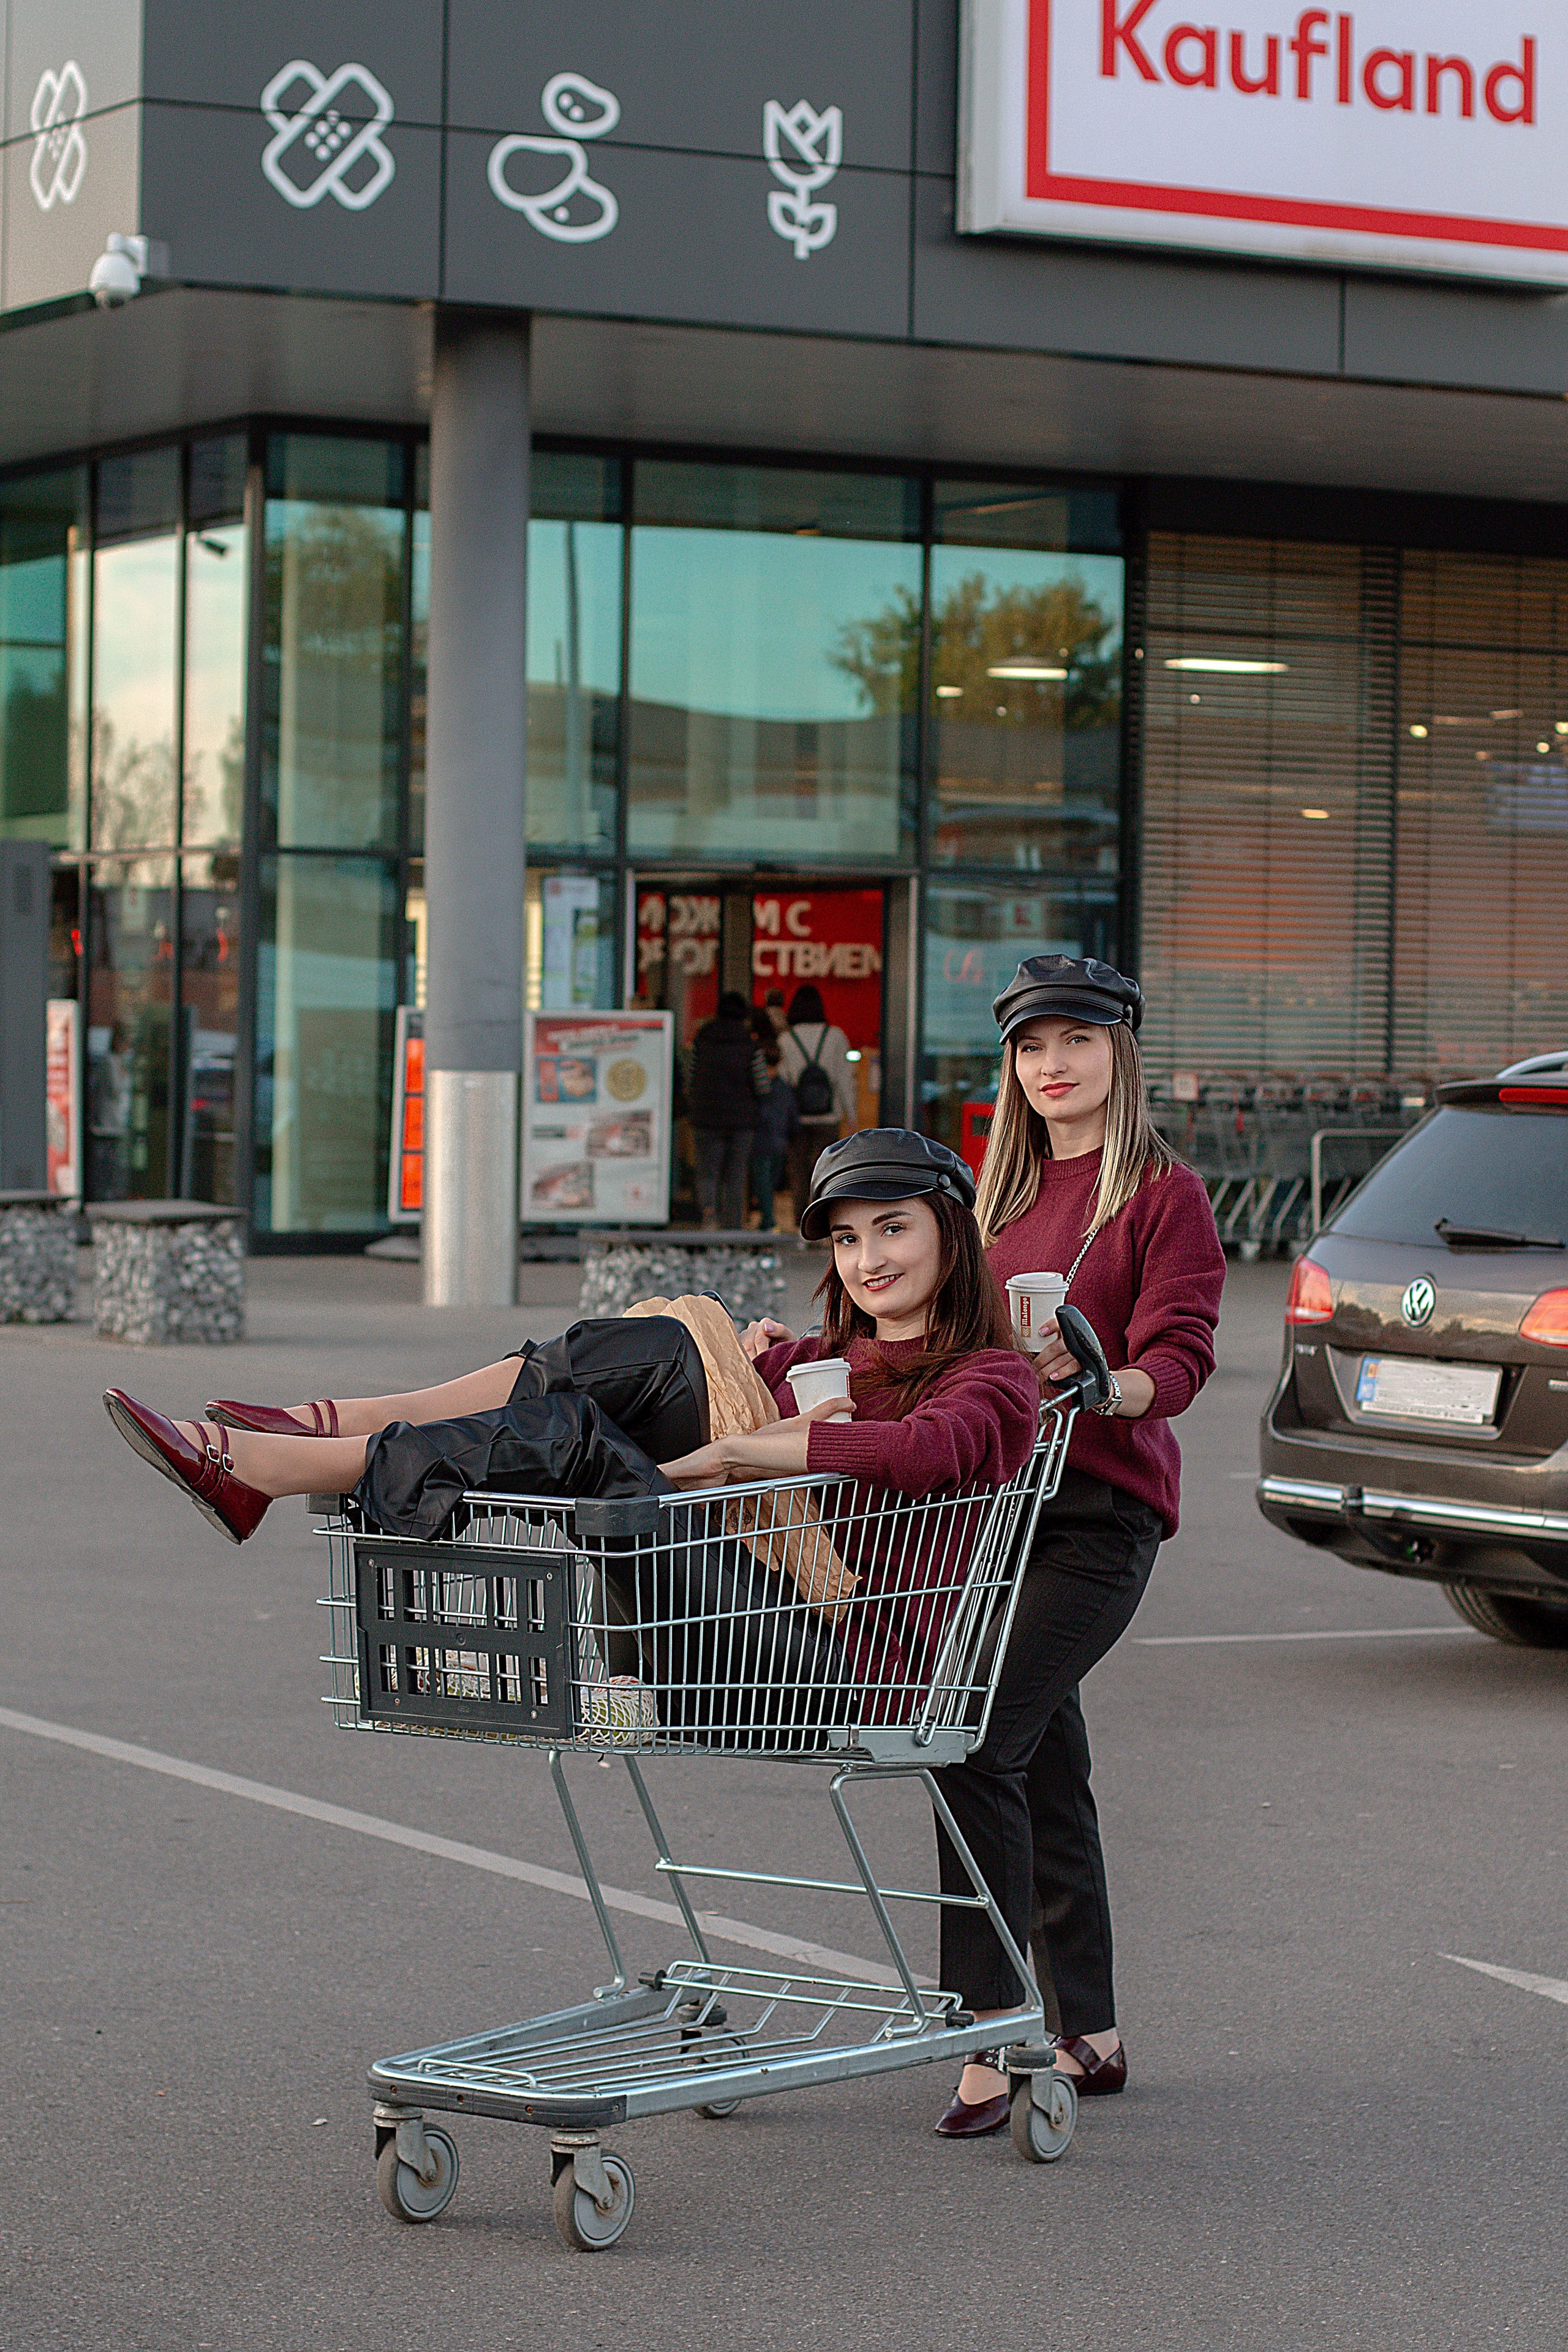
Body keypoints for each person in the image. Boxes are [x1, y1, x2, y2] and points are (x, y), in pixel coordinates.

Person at [929, 954, 1225, 2139]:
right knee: (1043, 1760)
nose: (1054, 1067)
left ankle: (987, 2035)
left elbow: (1185, 1352)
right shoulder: (985, 1205)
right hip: (993, 1516)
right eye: (1033, 1048)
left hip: (1098, 1518)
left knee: (976, 1742)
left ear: (1120, 1052)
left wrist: (1112, 1381)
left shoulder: (1162, 1195)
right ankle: (1088, 2031)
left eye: (1078, 1043)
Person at [778, 984, 854, 1223]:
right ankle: (824, 1222)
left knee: (799, 1172)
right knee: (828, 1172)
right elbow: (844, 1079)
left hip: (797, 1118)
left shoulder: (786, 1039)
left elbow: (784, 1078)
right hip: (828, 1117)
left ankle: (803, 1223)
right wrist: (851, 1115)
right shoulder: (835, 1036)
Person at [687, 989, 758, 1229]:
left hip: (706, 1118)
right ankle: (733, 1224)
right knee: (735, 1175)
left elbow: (691, 1078)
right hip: (741, 1121)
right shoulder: (749, 1043)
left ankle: (709, 1217)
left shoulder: (703, 1039)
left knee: (707, 1172)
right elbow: (762, 1085)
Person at [749, 1044, 798, 1231]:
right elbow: (793, 1116)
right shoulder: (784, 1088)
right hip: (780, 1142)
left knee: (763, 1183)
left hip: (761, 1141)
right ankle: (767, 1220)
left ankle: (768, 1220)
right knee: (771, 1183)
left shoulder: (758, 1089)